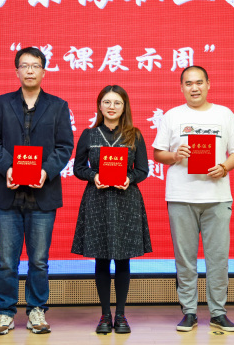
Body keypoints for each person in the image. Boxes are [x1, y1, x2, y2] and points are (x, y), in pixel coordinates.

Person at [0, 47, 74, 335]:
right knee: (6, 262)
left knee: (38, 261)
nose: (30, 70)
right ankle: (5, 312)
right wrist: (7, 168)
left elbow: (65, 146)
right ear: (17, 71)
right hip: (8, 195)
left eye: (36, 65)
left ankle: (37, 309)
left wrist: (45, 171)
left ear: (44, 71)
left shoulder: (58, 106)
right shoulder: (0, 104)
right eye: (25, 65)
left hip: (42, 196)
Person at [152, 66, 234, 332]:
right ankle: (189, 311)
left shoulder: (225, 114)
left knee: (218, 258)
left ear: (208, 84)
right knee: (185, 259)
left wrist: (224, 167)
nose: (194, 88)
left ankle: (218, 312)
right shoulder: (172, 116)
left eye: (199, 82)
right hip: (181, 196)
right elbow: (158, 153)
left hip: (217, 197)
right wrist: (175, 155)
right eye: (188, 83)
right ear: (181, 87)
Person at [71, 85, 152, 334]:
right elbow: (78, 168)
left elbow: (143, 170)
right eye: (106, 102)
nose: (111, 107)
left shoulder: (134, 135)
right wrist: (93, 176)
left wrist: (130, 178)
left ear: (124, 106)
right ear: (99, 105)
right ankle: (105, 315)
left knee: (123, 259)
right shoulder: (89, 134)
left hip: (126, 200)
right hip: (97, 200)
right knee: (102, 258)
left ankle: (121, 315)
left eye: (117, 102)